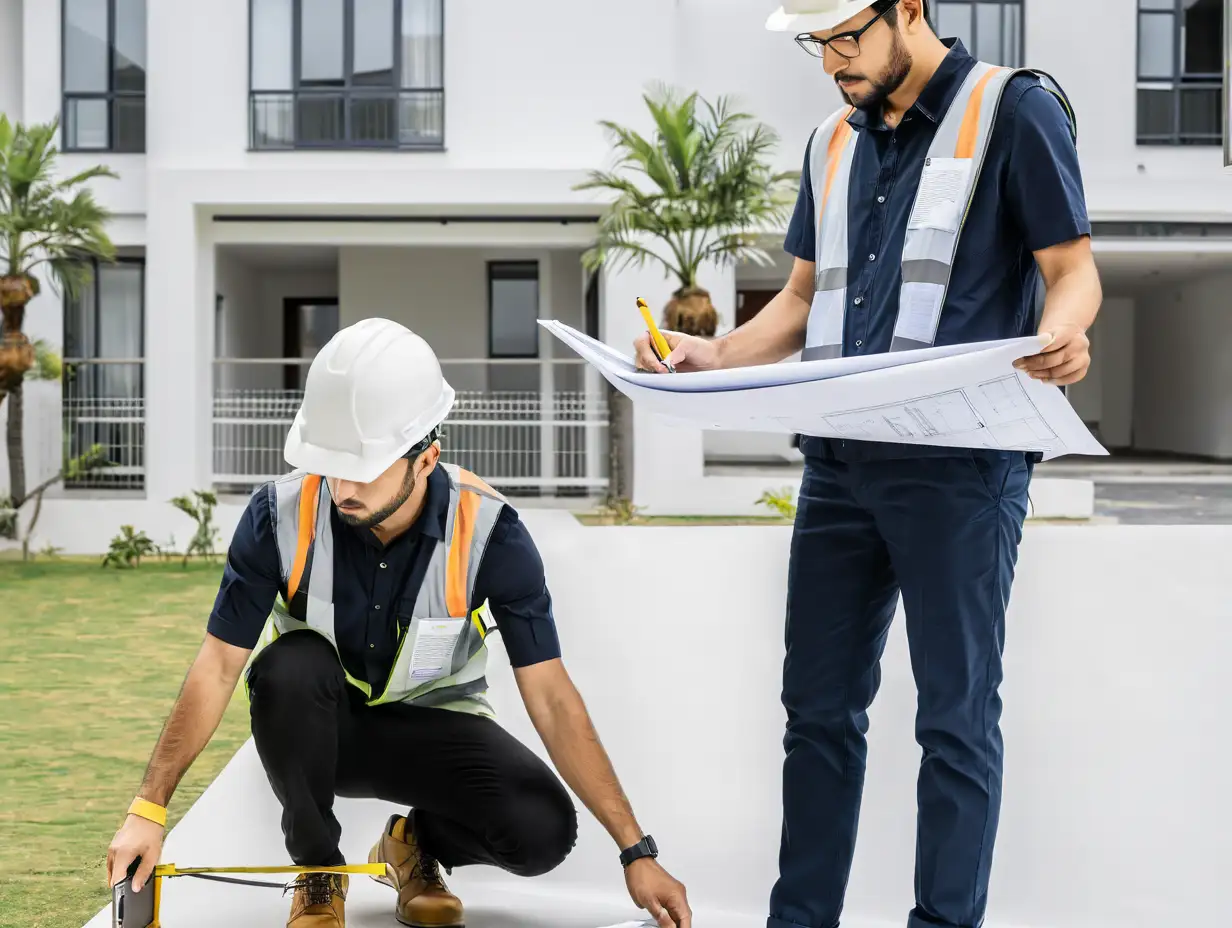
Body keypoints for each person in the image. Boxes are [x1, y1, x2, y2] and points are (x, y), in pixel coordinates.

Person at [634, 2, 1102, 927]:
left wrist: (1067, 333)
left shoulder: (1012, 111)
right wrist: (714, 354)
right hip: (840, 467)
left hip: (961, 469)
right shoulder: (831, 142)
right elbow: (803, 297)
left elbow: (1073, 267)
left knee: (955, 719)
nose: (830, 63)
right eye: (816, 44)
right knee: (816, 712)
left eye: (846, 38)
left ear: (910, 11)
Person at [107, 317, 692, 928]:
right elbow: (217, 666)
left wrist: (636, 850)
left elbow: (549, 694)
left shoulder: (491, 533)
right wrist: (148, 809)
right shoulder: (277, 517)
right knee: (289, 666)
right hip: (317, 729)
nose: (341, 485)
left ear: (427, 456)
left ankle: (412, 846)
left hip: (432, 732)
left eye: (364, 465)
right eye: (330, 463)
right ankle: (319, 872)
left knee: (542, 830)